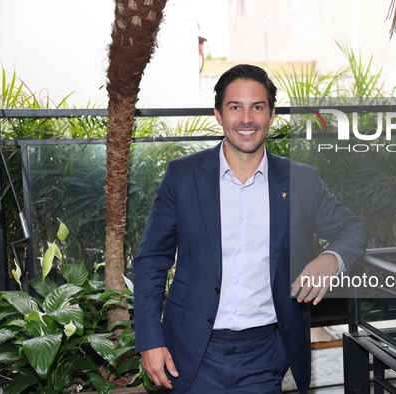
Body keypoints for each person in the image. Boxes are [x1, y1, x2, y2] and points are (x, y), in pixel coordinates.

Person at [133, 64, 369, 393]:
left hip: (266, 354)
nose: (246, 119)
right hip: (189, 350)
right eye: (235, 107)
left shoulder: (300, 180)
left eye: (257, 107)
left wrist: (330, 259)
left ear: (271, 114)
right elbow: (151, 260)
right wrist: (149, 340)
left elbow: (353, 229)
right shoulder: (182, 176)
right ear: (218, 114)